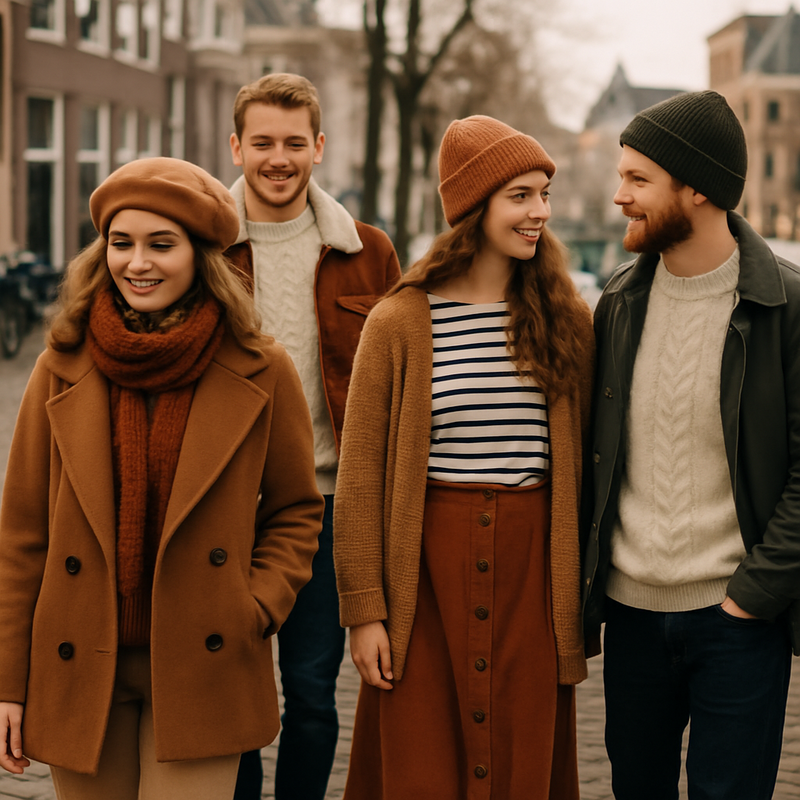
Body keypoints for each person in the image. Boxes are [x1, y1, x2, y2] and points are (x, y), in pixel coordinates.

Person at [0, 157, 324, 800]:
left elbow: (295, 508)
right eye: (121, 243)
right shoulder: (61, 365)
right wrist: (9, 682)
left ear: (201, 255)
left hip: (202, 657)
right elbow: (21, 534)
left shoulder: (262, 368)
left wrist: (253, 604)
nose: (137, 262)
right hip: (78, 657)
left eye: (161, 244)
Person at [334, 115, 595, 799]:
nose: (539, 212)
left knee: (518, 760)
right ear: (473, 208)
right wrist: (365, 610)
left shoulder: (569, 321)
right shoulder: (399, 322)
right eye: (520, 195)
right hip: (422, 573)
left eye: (543, 194)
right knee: (422, 762)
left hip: (532, 577)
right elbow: (359, 479)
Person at [582, 90, 800, 800]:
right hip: (633, 621)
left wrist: (753, 595)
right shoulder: (617, 303)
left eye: (638, 179)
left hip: (737, 620)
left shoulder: (785, 308)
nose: (619, 196)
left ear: (698, 187)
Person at [226, 73, 401, 800]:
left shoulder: (367, 252)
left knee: (312, 697)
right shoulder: (200, 243)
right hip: (224, 509)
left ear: (319, 147)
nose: (278, 157)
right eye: (262, 142)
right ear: (235, 146)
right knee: (227, 697)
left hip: (328, 508)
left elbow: (397, 386)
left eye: (294, 143)